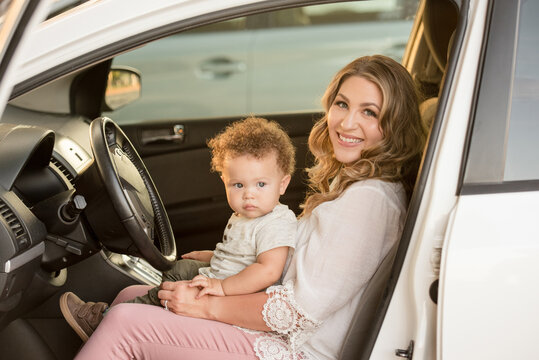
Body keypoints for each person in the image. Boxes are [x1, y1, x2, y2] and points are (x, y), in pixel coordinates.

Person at [73, 55, 427, 360]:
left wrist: (207, 306)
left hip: (297, 349)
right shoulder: (358, 184)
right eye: (342, 104)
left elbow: (296, 312)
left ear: (394, 126)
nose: (347, 123)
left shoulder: (369, 201)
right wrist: (216, 260)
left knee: (124, 323)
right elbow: (303, 264)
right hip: (284, 329)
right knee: (129, 296)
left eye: (370, 112)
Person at [60, 117, 298, 342]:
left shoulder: (276, 222)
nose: (249, 194)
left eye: (261, 184)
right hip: (223, 277)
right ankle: (153, 308)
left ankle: (104, 322)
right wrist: (211, 256)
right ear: (225, 181)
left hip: (238, 294)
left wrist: (222, 288)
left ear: (283, 184)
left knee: (168, 289)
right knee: (179, 268)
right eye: (238, 185)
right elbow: (242, 255)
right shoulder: (246, 214)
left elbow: (268, 271)